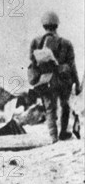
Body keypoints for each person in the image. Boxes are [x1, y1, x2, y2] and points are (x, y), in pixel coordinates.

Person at [29, 11, 81, 143]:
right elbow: (72, 66)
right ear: (57, 25)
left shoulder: (36, 42)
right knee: (65, 106)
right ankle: (63, 132)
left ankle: (53, 137)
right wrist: (77, 83)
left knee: (50, 109)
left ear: (43, 25)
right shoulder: (66, 43)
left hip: (45, 80)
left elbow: (32, 62)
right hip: (64, 80)